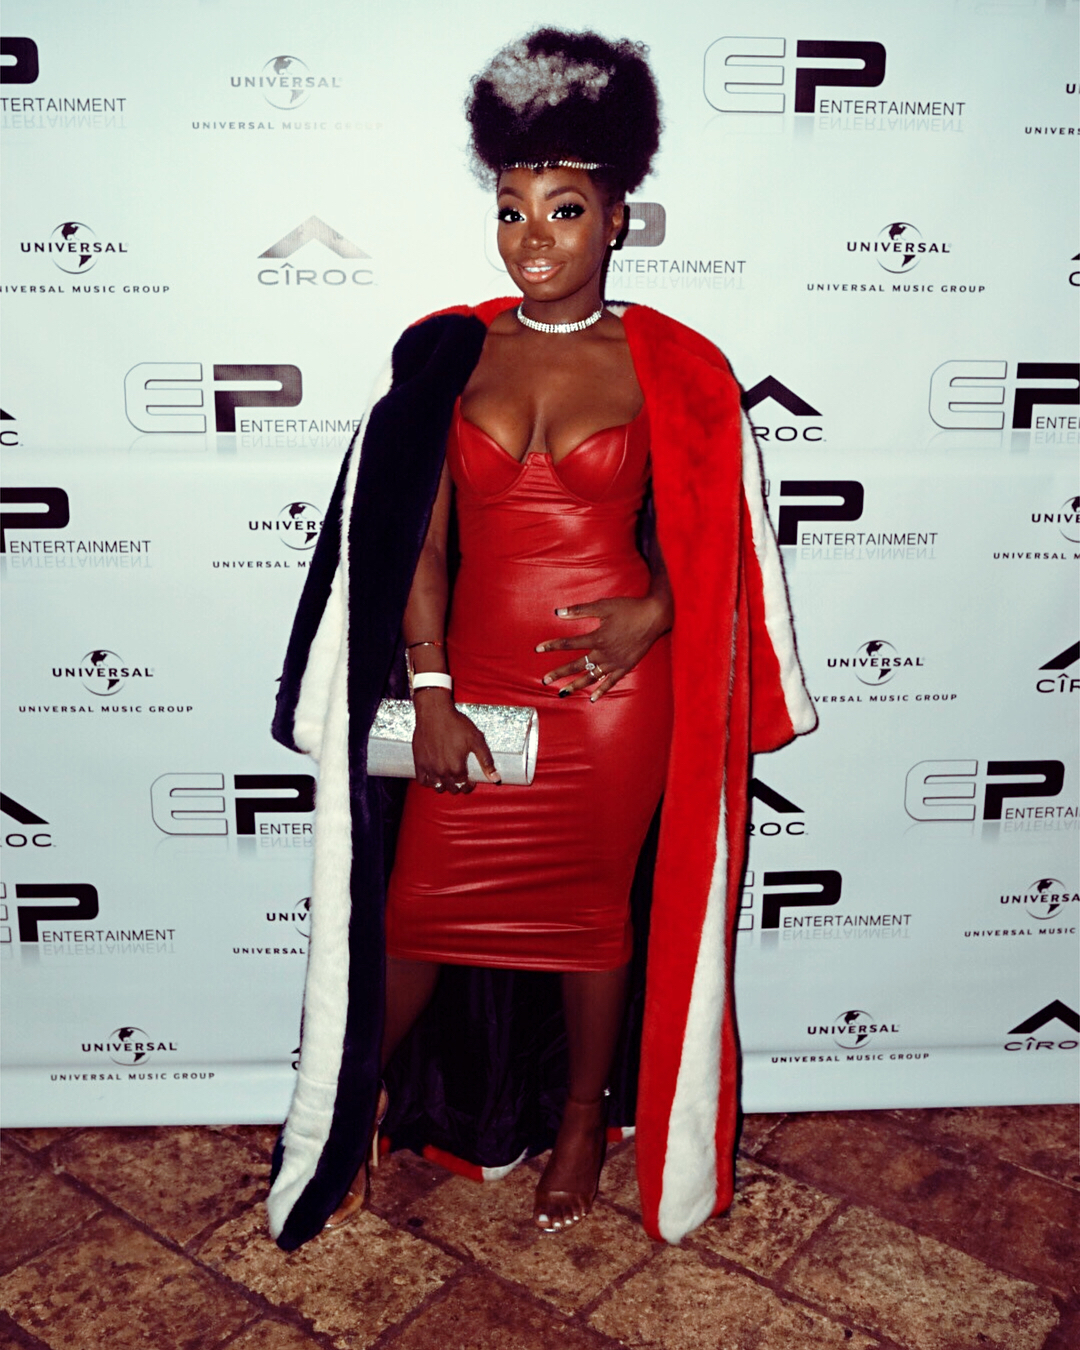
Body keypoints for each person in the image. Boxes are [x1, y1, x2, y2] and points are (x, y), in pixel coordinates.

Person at [266, 28, 815, 1254]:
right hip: (472, 682)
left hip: (611, 699)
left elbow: (721, 538)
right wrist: (432, 688)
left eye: (564, 211)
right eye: (511, 211)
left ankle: (579, 1125)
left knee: (591, 921)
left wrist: (656, 610)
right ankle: (350, 1108)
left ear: (618, 219)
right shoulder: (449, 350)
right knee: (414, 914)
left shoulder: (677, 367)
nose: (532, 239)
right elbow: (414, 543)